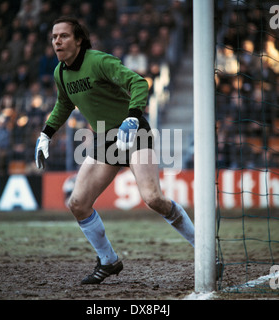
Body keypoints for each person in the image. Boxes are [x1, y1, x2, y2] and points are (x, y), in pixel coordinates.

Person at [35, 16, 195, 285]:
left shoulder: (99, 61)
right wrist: (46, 133)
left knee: (153, 199)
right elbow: (64, 104)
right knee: (78, 204)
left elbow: (139, 83)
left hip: (133, 132)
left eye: (63, 36)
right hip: (104, 138)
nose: (57, 41)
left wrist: (132, 117)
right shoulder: (59, 72)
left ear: (79, 40)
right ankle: (108, 261)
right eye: (54, 37)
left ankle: (203, 248)